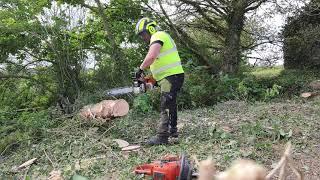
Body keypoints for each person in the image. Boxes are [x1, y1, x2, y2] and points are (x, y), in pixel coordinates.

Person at [135, 17, 185, 145]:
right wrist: (149, 80)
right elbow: (159, 66)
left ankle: (162, 136)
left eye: (143, 34)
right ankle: (172, 131)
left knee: (166, 104)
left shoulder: (158, 35)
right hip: (169, 77)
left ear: (150, 29)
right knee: (171, 104)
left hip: (171, 76)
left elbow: (151, 57)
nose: (143, 38)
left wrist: (140, 69)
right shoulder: (157, 40)